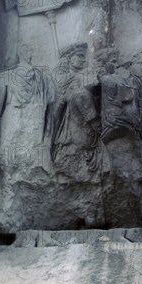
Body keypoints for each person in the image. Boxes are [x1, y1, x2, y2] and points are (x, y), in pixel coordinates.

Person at [0, 43, 54, 169]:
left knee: (10, 169)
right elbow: (50, 117)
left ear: (19, 55)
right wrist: (47, 143)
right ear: (31, 56)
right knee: (27, 169)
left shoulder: (4, 77)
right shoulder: (45, 80)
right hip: (33, 128)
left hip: (13, 127)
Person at [51, 43, 101, 183]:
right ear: (69, 58)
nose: (83, 60)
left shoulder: (86, 73)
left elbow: (92, 94)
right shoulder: (63, 77)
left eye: (84, 57)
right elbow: (59, 104)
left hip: (85, 115)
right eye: (79, 56)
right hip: (70, 118)